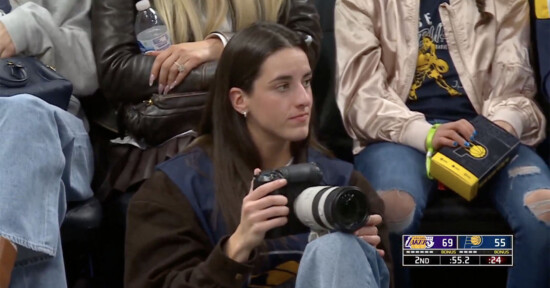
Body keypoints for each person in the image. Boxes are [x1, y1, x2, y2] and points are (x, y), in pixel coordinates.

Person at [124, 22, 392, 288]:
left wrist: (362, 260)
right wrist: (236, 246)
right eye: (282, 86)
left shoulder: (344, 185)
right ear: (240, 100)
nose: (304, 99)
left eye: (307, 82)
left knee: (337, 248)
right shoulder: (176, 189)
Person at [335, 0, 550, 287]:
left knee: (544, 212)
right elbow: (360, 96)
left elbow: (516, 83)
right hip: (398, 134)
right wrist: (425, 134)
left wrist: (500, 128)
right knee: (394, 213)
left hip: (485, 127)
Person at [0, 0, 97, 287]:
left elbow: (89, 73)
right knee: (28, 196)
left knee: (23, 115)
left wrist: (27, 27)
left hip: (53, 133)